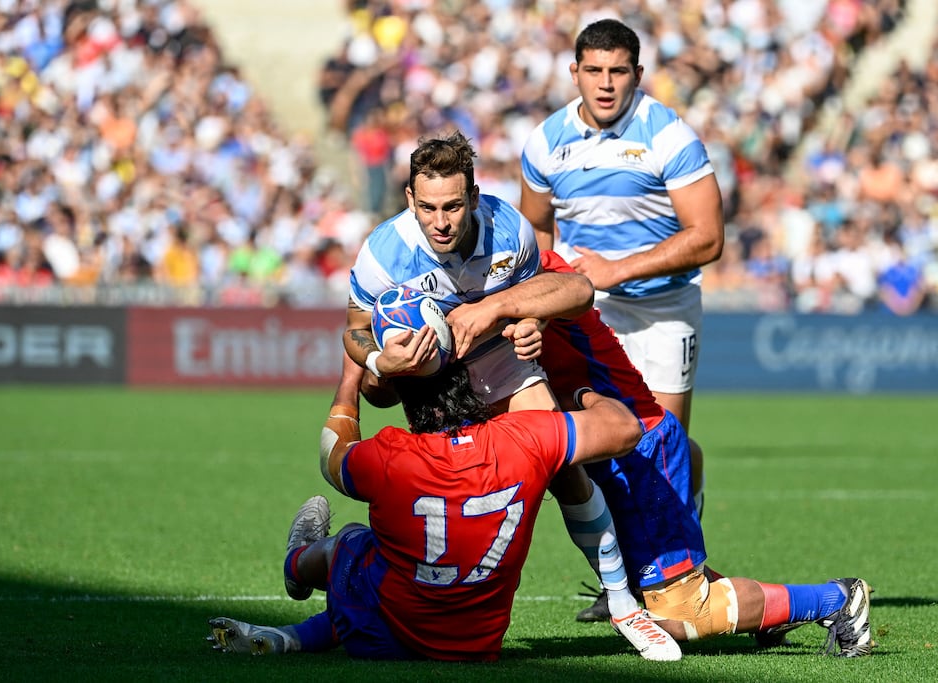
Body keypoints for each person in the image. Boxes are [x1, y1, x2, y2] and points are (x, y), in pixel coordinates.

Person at [343, 130, 678, 659]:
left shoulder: (510, 233)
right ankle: (392, 593)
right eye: (427, 207)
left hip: (499, 362)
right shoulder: (384, 253)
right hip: (427, 377)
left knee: (565, 467)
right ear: (410, 200)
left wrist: (528, 323)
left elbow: (558, 295)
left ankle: (622, 603)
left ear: (474, 198)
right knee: (377, 399)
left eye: (453, 206)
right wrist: (383, 361)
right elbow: (354, 330)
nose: (441, 221)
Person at [516, 249, 873, 658]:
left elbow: (572, 290)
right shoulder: (456, 266)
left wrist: (516, 313)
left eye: (452, 208)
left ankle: (838, 600)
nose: (441, 223)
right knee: (665, 596)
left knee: (683, 614)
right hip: (596, 445)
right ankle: (769, 610)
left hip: (637, 447)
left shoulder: (517, 253)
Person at [207, 353, 646, 660]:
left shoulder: (391, 455)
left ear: (411, 405)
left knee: (353, 540)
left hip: (382, 636)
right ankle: (295, 637)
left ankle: (296, 564)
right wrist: (583, 394)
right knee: (388, 572)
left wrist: (349, 377)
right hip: (477, 644)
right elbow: (626, 429)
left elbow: (331, 457)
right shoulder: (524, 438)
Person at [519, 19, 726, 620]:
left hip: (663, 309)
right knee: (596, 453)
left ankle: (667, 586)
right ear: (574, 72)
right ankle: (626, 581)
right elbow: (534, 230)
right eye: (594, 71)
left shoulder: (669, 135)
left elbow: (707, 236)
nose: (605, 84)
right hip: (589, 314)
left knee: (663, 447)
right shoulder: (545, 141)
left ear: (636, 73)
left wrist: (616, 268)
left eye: (618, 72)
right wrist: (546, 292)